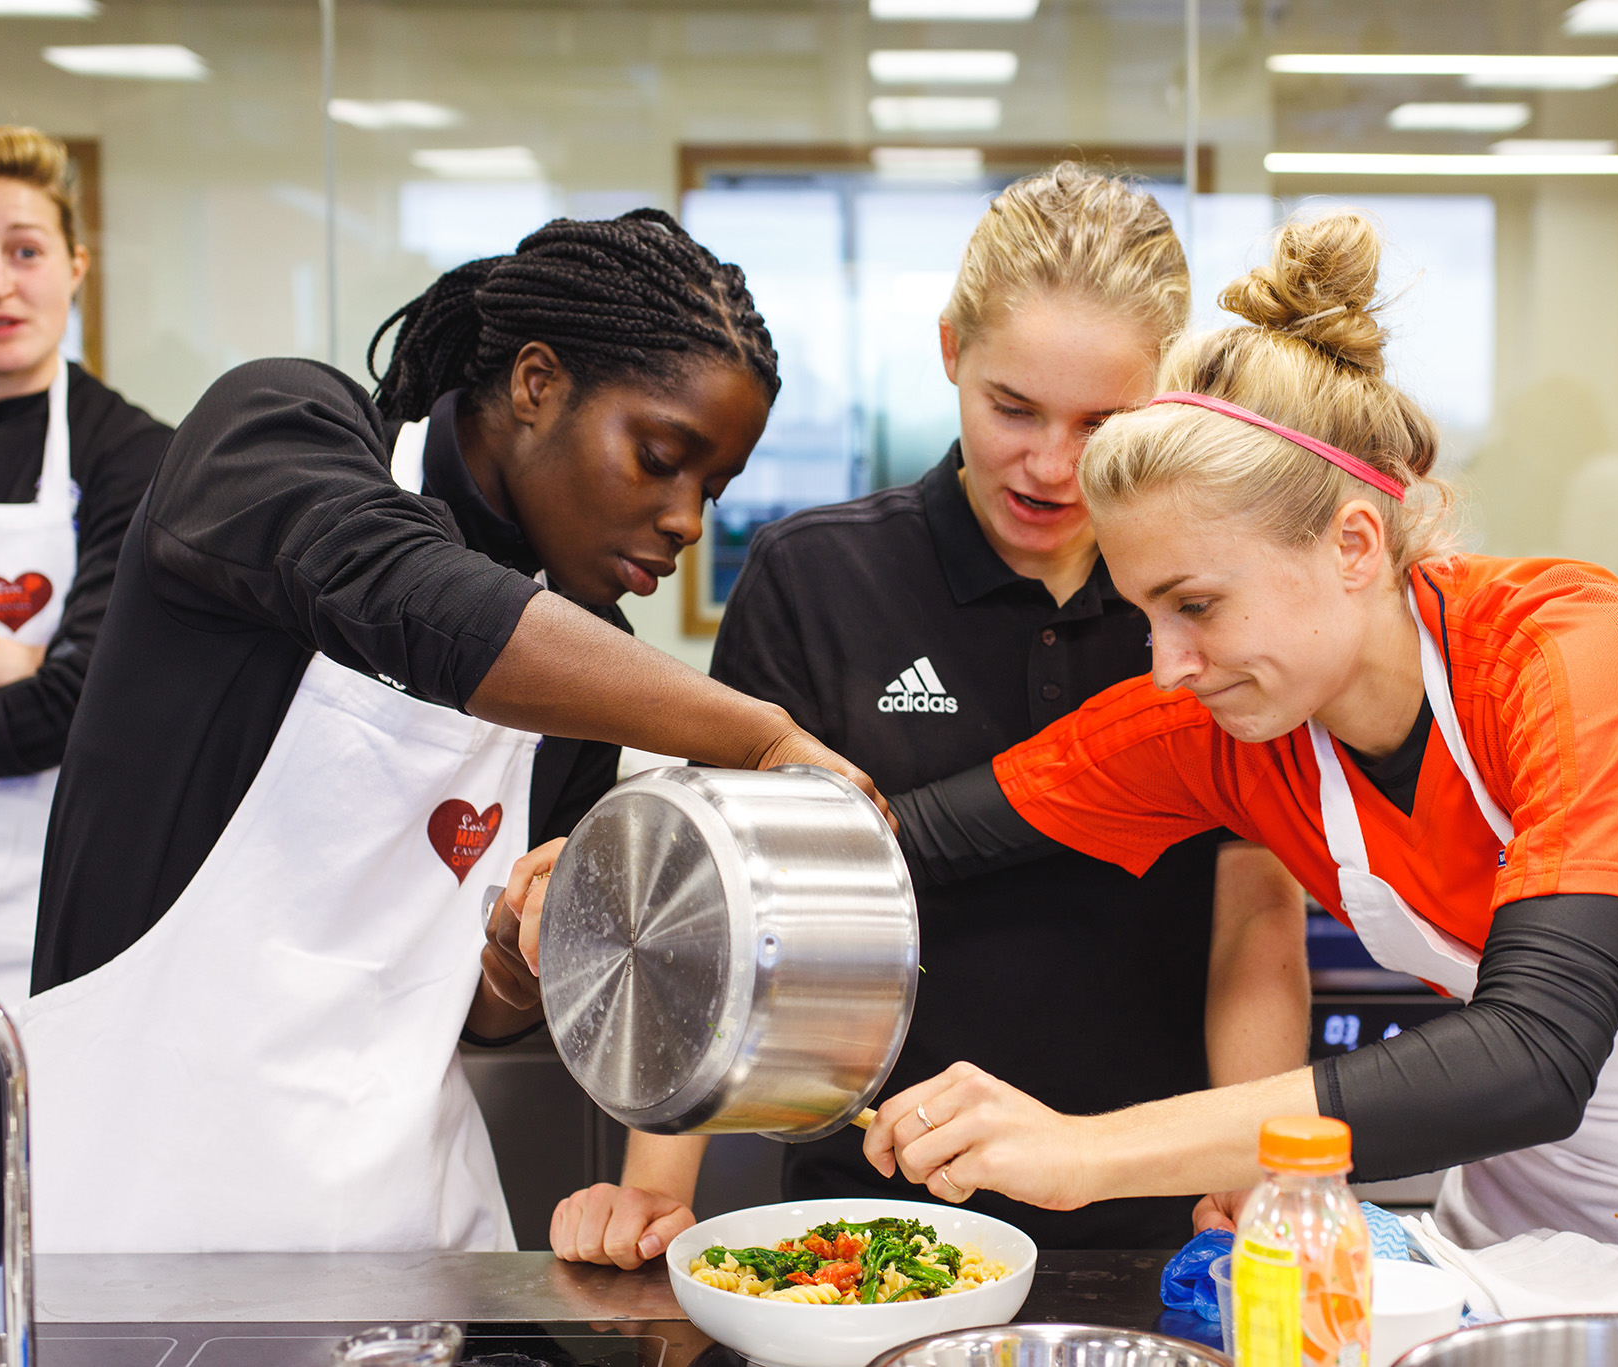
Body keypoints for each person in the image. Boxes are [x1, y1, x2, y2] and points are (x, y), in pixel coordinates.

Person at [861, 212, 1618, 1365]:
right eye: (1143, 613)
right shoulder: (1226, 721)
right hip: (1535, 1227)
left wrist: (1088, 1151)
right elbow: (913, 838)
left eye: (1195, 604)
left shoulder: (1578, 660)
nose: (1166, 662)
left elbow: (1533, 1050)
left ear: (1352, 542)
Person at [21, 211, 882, 1255]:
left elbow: (478, 1019)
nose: (686, 518)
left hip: (410, 1233)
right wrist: (759, 736)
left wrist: (523, 961)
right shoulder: (278, 433)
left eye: (714, 488)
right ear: (535, 383)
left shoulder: (580, 660)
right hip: (139, 1207)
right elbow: (415, 598)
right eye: (660, 456)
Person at [548, 164, 1308, 1267]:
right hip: (871, 1224)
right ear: (951, 350)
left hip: (1155, 1216)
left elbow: (1254, 913)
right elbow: (726, 915)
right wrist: (655, 1188)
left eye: (1103, 421)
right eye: (1012, 408)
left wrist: (1245, 1178)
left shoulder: (1205, 598)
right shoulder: (818, 577)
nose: (1052, 465)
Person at [0, 124, 170, 1253]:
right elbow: (33, 682)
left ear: (74, 265)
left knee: (21, 1253)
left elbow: (83, 702)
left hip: (51, 948)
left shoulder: (134, 455)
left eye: (23, 247)